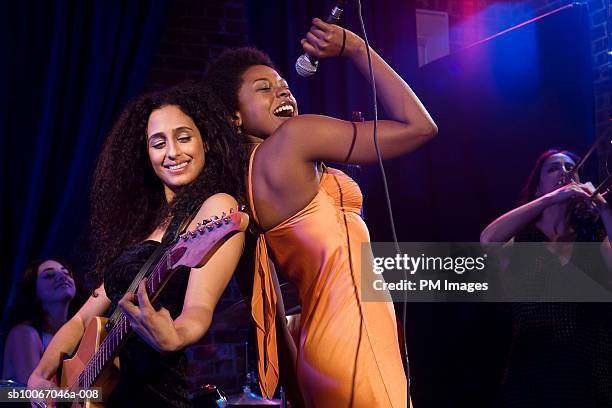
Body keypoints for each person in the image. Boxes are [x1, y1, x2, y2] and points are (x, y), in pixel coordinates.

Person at [204, 18, 437, 407]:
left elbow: (280, 302)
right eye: (263, 88)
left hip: (320, 345)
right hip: (353, 339)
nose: (282, 91)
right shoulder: (294, 138)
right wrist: (356, 48)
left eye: (284, 86)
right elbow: (419, 127)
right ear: (233, 116)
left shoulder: (246, 180)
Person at [28, 85, 248, 407]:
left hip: (152, 394)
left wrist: (176, 335)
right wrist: (40, 375)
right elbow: (81, 319)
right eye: (158, 143)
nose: (172, 152)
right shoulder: (143, 226)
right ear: (146, 155)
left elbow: (199, 309)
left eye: (184, 137)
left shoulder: (215, 208)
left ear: (207, 142)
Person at [480, 149, 612, 407]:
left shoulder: (594, 238)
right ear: (538, 187)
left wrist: (605, 210)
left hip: (591, 375)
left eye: (570, 168)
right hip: (533, 377)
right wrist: (550, 199)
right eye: (553, 168)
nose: (564, 172)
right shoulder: (521, 240)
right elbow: (488, 239)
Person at [2, 257, 77, 385]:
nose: (62, 277)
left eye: (66, 273)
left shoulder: (79, 335)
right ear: (34, 292)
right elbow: (36, 398)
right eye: (49, 275)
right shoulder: (24, 333)